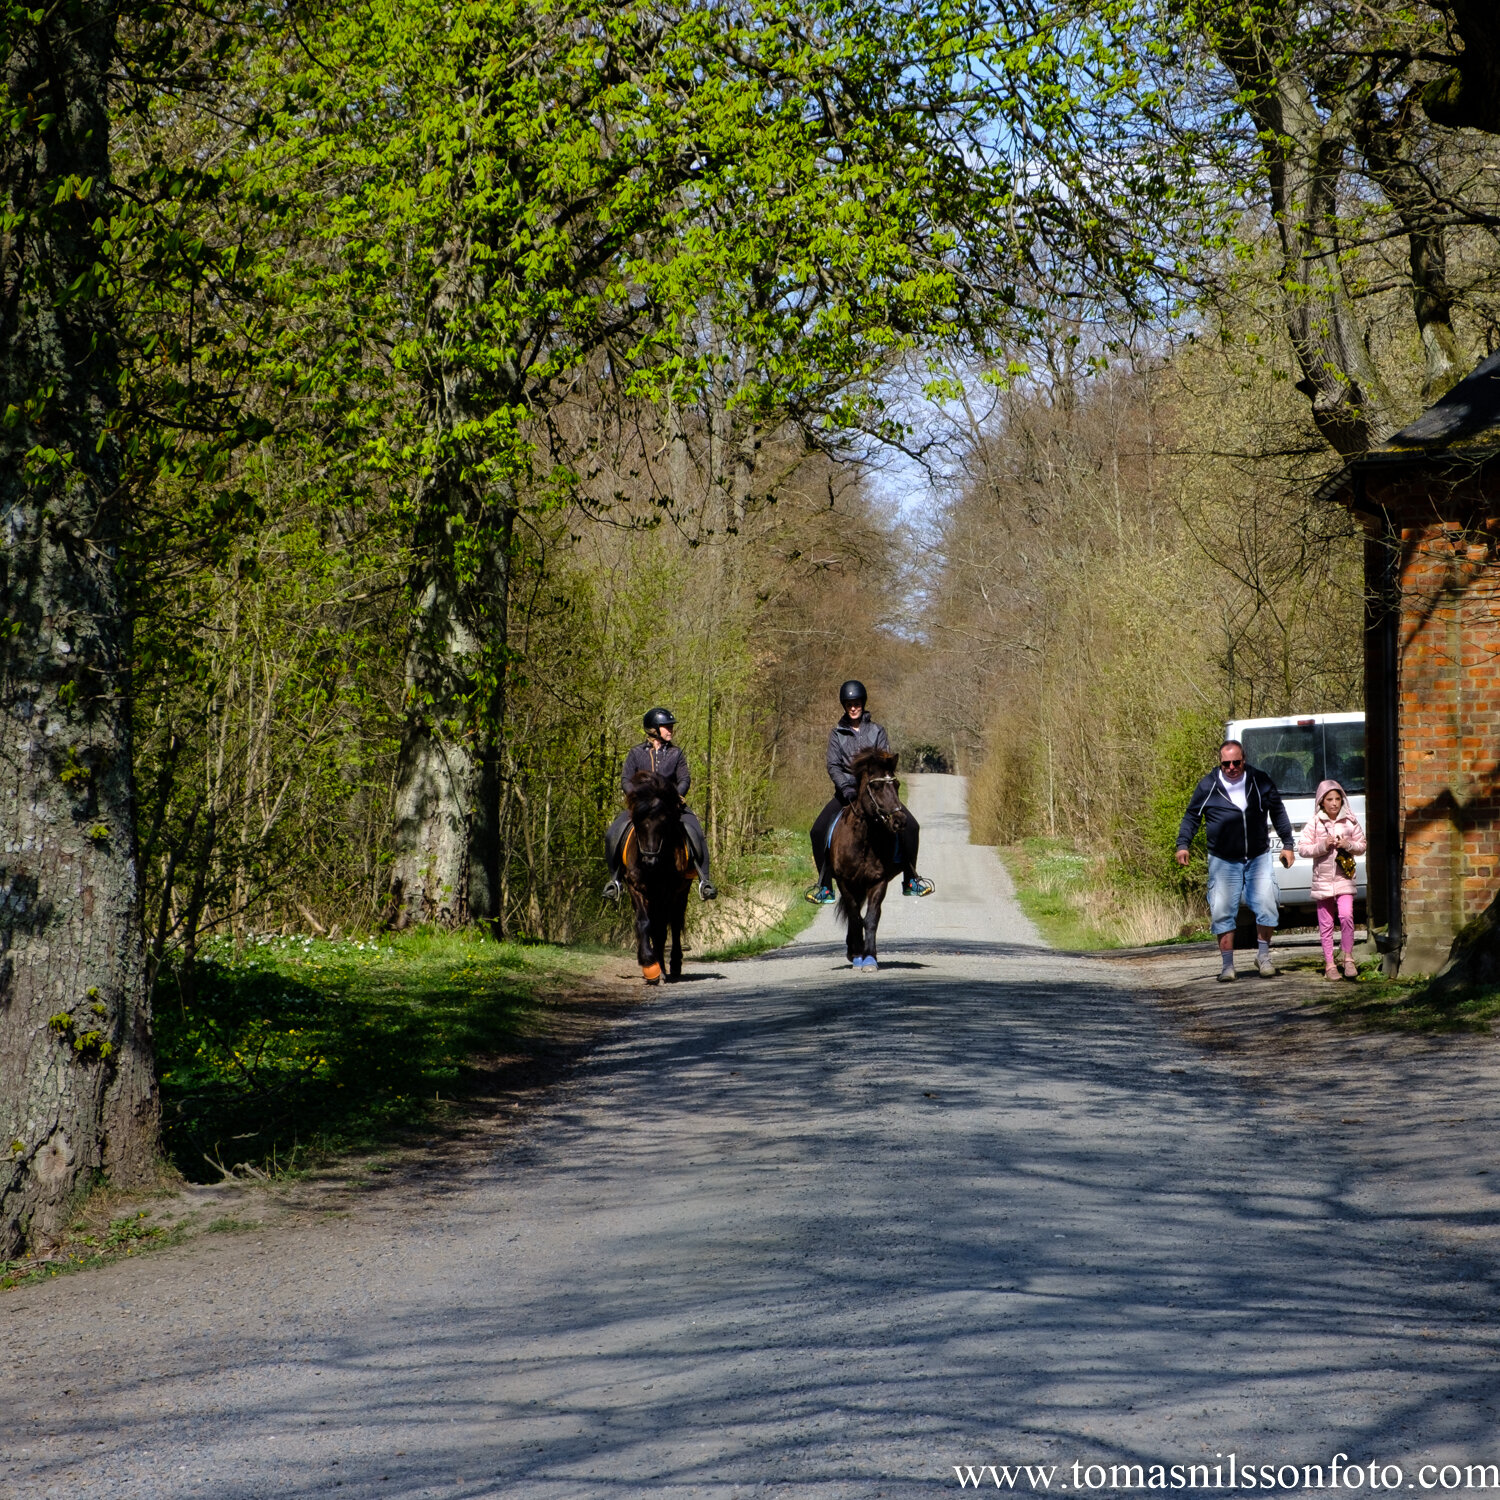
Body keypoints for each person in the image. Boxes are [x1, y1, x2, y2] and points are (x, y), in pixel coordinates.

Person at [1175, 738, 1295, 981]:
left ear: (1244, 760)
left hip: (1258, 855)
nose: (1231, 768)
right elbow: (1191, 817)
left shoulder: (1260, 781)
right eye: (1226, 764)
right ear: (1220, 763)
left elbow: (1278, 811)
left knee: (1267, 903)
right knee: (1222, 910)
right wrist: (1183, 845)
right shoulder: (1208, 785)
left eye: (1236, 762)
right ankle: (1227, 966)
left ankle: (1263, 957)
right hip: (1223, 859)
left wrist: (1288, 844)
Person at [805, 679, 934, 905]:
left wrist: (879, 783)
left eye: (856, 703)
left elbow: (885, 761)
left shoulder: (877, 731)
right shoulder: (837, 734)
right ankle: (824, 885)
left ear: (863, 703)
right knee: (817, 831)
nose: (853, 707)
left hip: (877, 793)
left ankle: (911, 878)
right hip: (846, 793)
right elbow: (833, 765)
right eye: (849, 704)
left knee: (911, 826)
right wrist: (845, 787)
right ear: (844, 706)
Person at [602, 708, 717, 901]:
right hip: (642, 807)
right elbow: (625, 779)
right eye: (667, 726)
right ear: (654, 729)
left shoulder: (676, 753)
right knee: (612, 833)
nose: (671, 730)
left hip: (671, 807)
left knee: (696, 831)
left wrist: (676, 794)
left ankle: (704, 881)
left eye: (671, 726)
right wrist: (635, 796)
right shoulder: (636, 753)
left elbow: (684, 779)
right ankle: (614, 882)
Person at [1295, 779, 1367, 982]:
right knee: (1325, 923)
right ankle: (1329, 964)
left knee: (1346, 915)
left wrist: (1348, 844)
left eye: (1337, 799)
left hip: (1344, 876)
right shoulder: (1315, 822)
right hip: (1323, 880)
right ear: (1321, 802)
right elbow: (1303, 848)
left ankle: (1348, 957)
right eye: (1329, 799)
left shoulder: (1350, 821)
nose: (1334, 803)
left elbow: (1362, 845)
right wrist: (1322, 845)